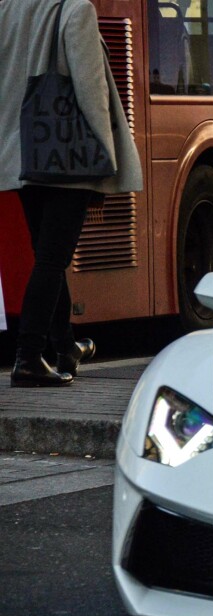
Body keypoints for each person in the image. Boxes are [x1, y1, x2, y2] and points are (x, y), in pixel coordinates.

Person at [1, 0, 142, 387]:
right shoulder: (77, 9)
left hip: (21, 156)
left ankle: (66, 346)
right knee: (51, 259)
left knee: (48, 255)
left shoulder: (7, 10)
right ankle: (28, 356)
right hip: (66, 155)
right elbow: (91, 90)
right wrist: (104, 163)